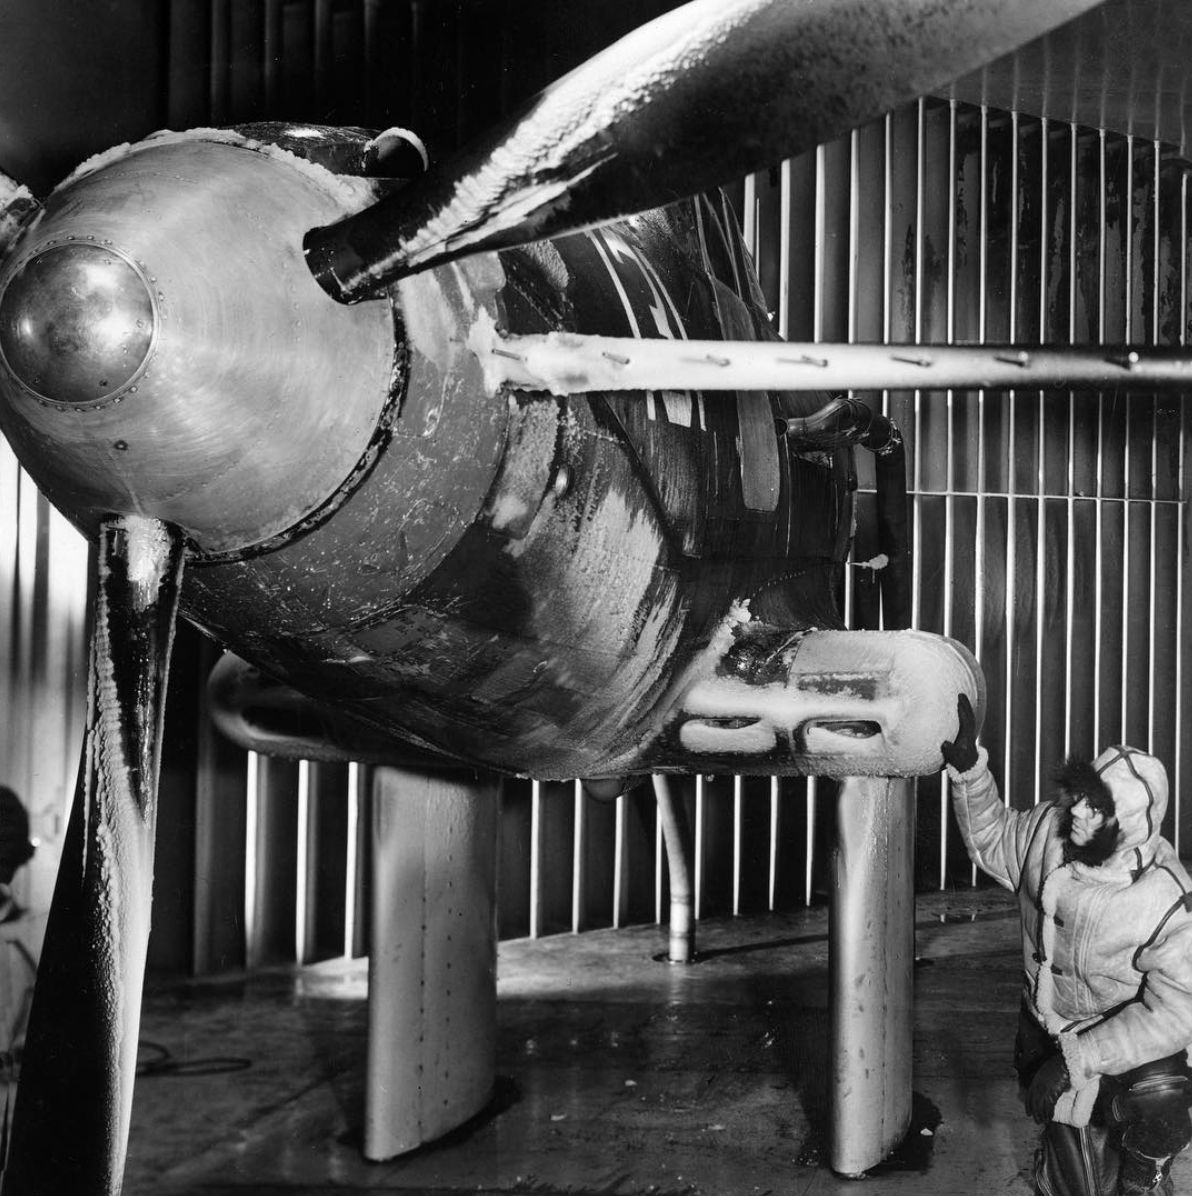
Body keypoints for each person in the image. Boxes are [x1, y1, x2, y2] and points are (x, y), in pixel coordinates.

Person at [941, 695, 1192, 1196]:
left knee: (1168, 1101)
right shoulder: (1047, 834)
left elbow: (1177, 1013)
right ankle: (1069, 1144)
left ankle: (1144, 1165)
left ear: (1129, 826)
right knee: (1076, 1189)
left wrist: (1079, 1059)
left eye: (1096, 808)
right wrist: (969, 771)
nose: (1076, 810)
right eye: (1079, 794)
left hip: (1121, 1048)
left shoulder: (1164, 898)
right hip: (1045, 1034)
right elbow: (993, 836)